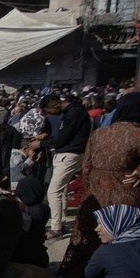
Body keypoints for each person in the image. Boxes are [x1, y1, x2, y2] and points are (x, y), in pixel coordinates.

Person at [57, 92, 140, 278]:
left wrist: (90, 188)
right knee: (123, 238)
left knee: (92, 237)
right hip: (126, 191)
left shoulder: (100, 133)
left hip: (97, 191)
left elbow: (86, 167)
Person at [33, 94, 91, 238]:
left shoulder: (74, 113)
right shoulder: (71, 113)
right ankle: (60, 223)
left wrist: (41, 144)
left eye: (49, 111)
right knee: (61, 190)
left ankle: (56, 227)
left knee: (53, 191)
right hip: (68, 153)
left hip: (69, 154)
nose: (50, 115)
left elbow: (64, 138)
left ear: (55, 106)